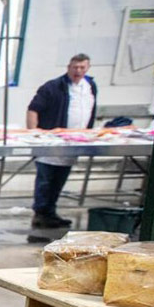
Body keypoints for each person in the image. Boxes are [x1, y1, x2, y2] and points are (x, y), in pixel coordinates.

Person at [27, 54, 97, 232]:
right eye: (75, 67)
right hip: (51, 143)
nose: (78, 71)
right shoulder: (53, 87)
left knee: (59, 179)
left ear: (87, 68)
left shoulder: (90, 87)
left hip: (73, 142)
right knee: (45, 180)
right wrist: (34, 134)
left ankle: (50, 211)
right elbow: (33, 109)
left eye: (82, 68)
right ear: (68, 67)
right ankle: (41, 213)